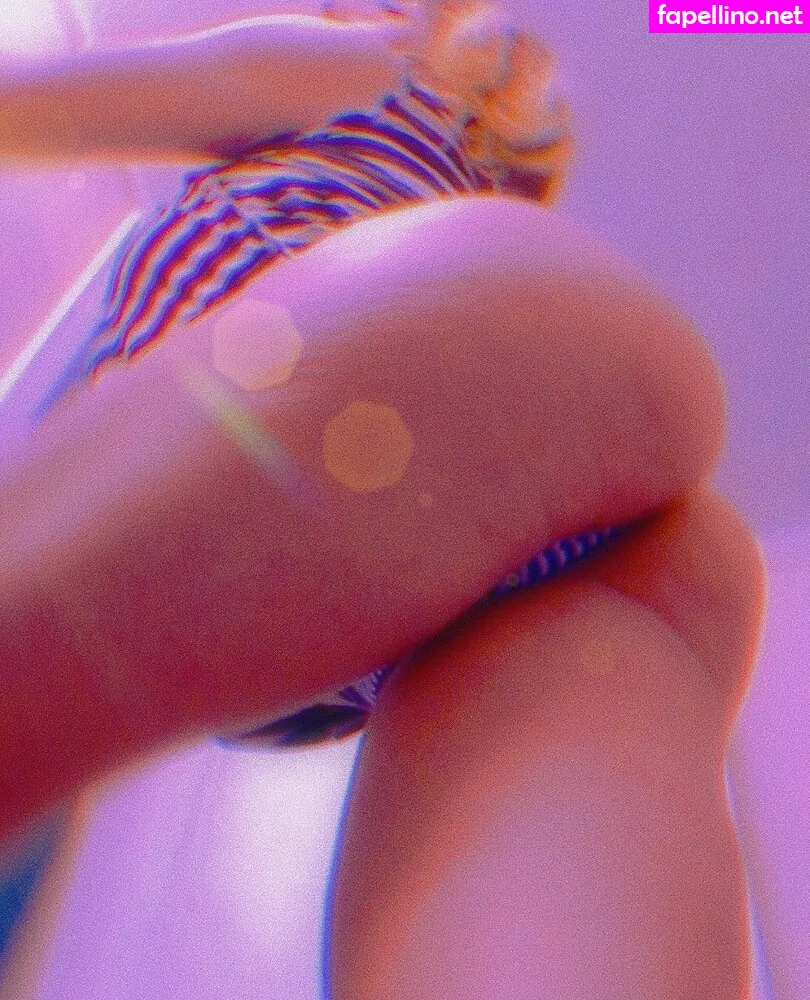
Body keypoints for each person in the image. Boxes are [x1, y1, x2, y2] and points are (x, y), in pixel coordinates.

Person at [0, 3, 765, 997]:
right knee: (683, 583)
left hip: (337, 381)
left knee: (673, 556)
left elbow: (40, 105)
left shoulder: (373, 66)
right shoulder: (473, 202)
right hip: (417, 539)